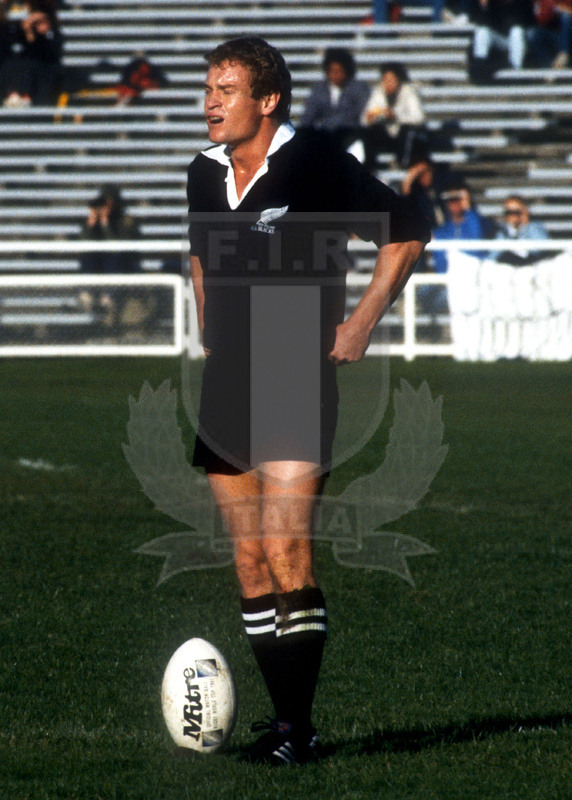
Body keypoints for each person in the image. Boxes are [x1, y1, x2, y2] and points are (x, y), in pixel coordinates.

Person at [186, 36, 430, 765]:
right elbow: (200, 251)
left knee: (289, 550)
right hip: (227, 375)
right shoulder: (201, 173)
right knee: (250, 563)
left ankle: (296, 730)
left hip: (293, 365)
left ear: (268, 100)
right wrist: (207, 321)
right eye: (208, 87)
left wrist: (360, 322)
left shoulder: (316, 159)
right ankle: (286, 724)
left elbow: (407, 231)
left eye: (226, 89)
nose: (210, 102)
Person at [298, 47, 370, 151]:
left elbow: (360, 114)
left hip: (350, 134)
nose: (336, 75)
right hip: (325, 135)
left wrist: (333, 124)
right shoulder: (319, 90)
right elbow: (308, 116)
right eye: (333, 71)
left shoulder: (358, 88)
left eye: (339, 71)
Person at [359, 62, 427, 169]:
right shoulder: (378, 92)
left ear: (399, 80)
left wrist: (396, 116)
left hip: (404, 136)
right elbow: (364, 119)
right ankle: (370, 166)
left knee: (408, 131)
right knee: (367, 132)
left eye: (392, 80)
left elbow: (419, 118)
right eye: (385, 80)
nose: (388, 84)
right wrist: (369, 119)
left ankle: (403, 163)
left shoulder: (409, 92)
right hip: (387, 135)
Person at [0, 0, 63, 105]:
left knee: (34, 68)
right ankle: (14, 95)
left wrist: (32, 31)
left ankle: (22, 97)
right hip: (12, 64)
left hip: (41, 67)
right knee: (12, 65)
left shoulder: (43, 11)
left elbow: (49, 49)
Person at [470, 0, 536, 80]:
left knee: (516, 31)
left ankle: (515, 69)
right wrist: (484, 7)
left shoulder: (523, 3)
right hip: (501, 39)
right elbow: (482, 21)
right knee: (482, 31)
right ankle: (480, 62)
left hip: (520, 40)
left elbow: (529, 23)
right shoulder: (493, 4)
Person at [491, 195, 552, 265]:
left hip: (531, 266)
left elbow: (542, 249)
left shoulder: (534, 227)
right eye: (508, 213)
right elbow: (493, 256)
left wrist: (525, 225)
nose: (512, 216)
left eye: (516, 212)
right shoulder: (502, 231)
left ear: (524, 212)